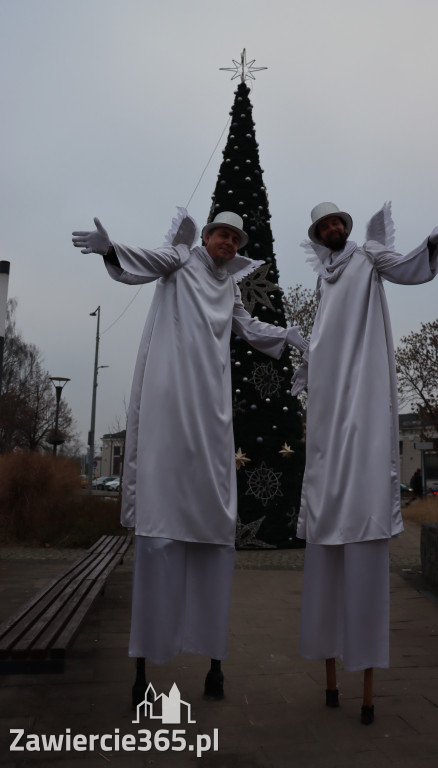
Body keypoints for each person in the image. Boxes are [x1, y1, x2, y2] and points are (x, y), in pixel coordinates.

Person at [72, 209, 307, 703]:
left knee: (213, 524)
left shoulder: (230, 286)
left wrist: (285, 335)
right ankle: (145, 664)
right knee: (161, 527)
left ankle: (212, 660)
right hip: (172, 401)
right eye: (222, 234)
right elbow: (147, 262)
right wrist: (111, 249)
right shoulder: (181, 261)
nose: (228, 243)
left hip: (212, 411)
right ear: (207, 236)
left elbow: (247, 328)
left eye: (235, 238)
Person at [291, 201, 438, 723]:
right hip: (328, 398)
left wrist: (429, 245)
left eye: (337, 223)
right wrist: (308, 368)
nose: (332, 230)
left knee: (361, 478)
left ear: (345, 227)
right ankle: (330, 672)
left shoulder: (367, 257)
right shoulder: (323, 279)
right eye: (324, 227)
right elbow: (322, 334)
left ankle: (363, 675)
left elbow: (404, 268)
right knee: (325, 480)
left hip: (361, 388)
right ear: (318, 236)